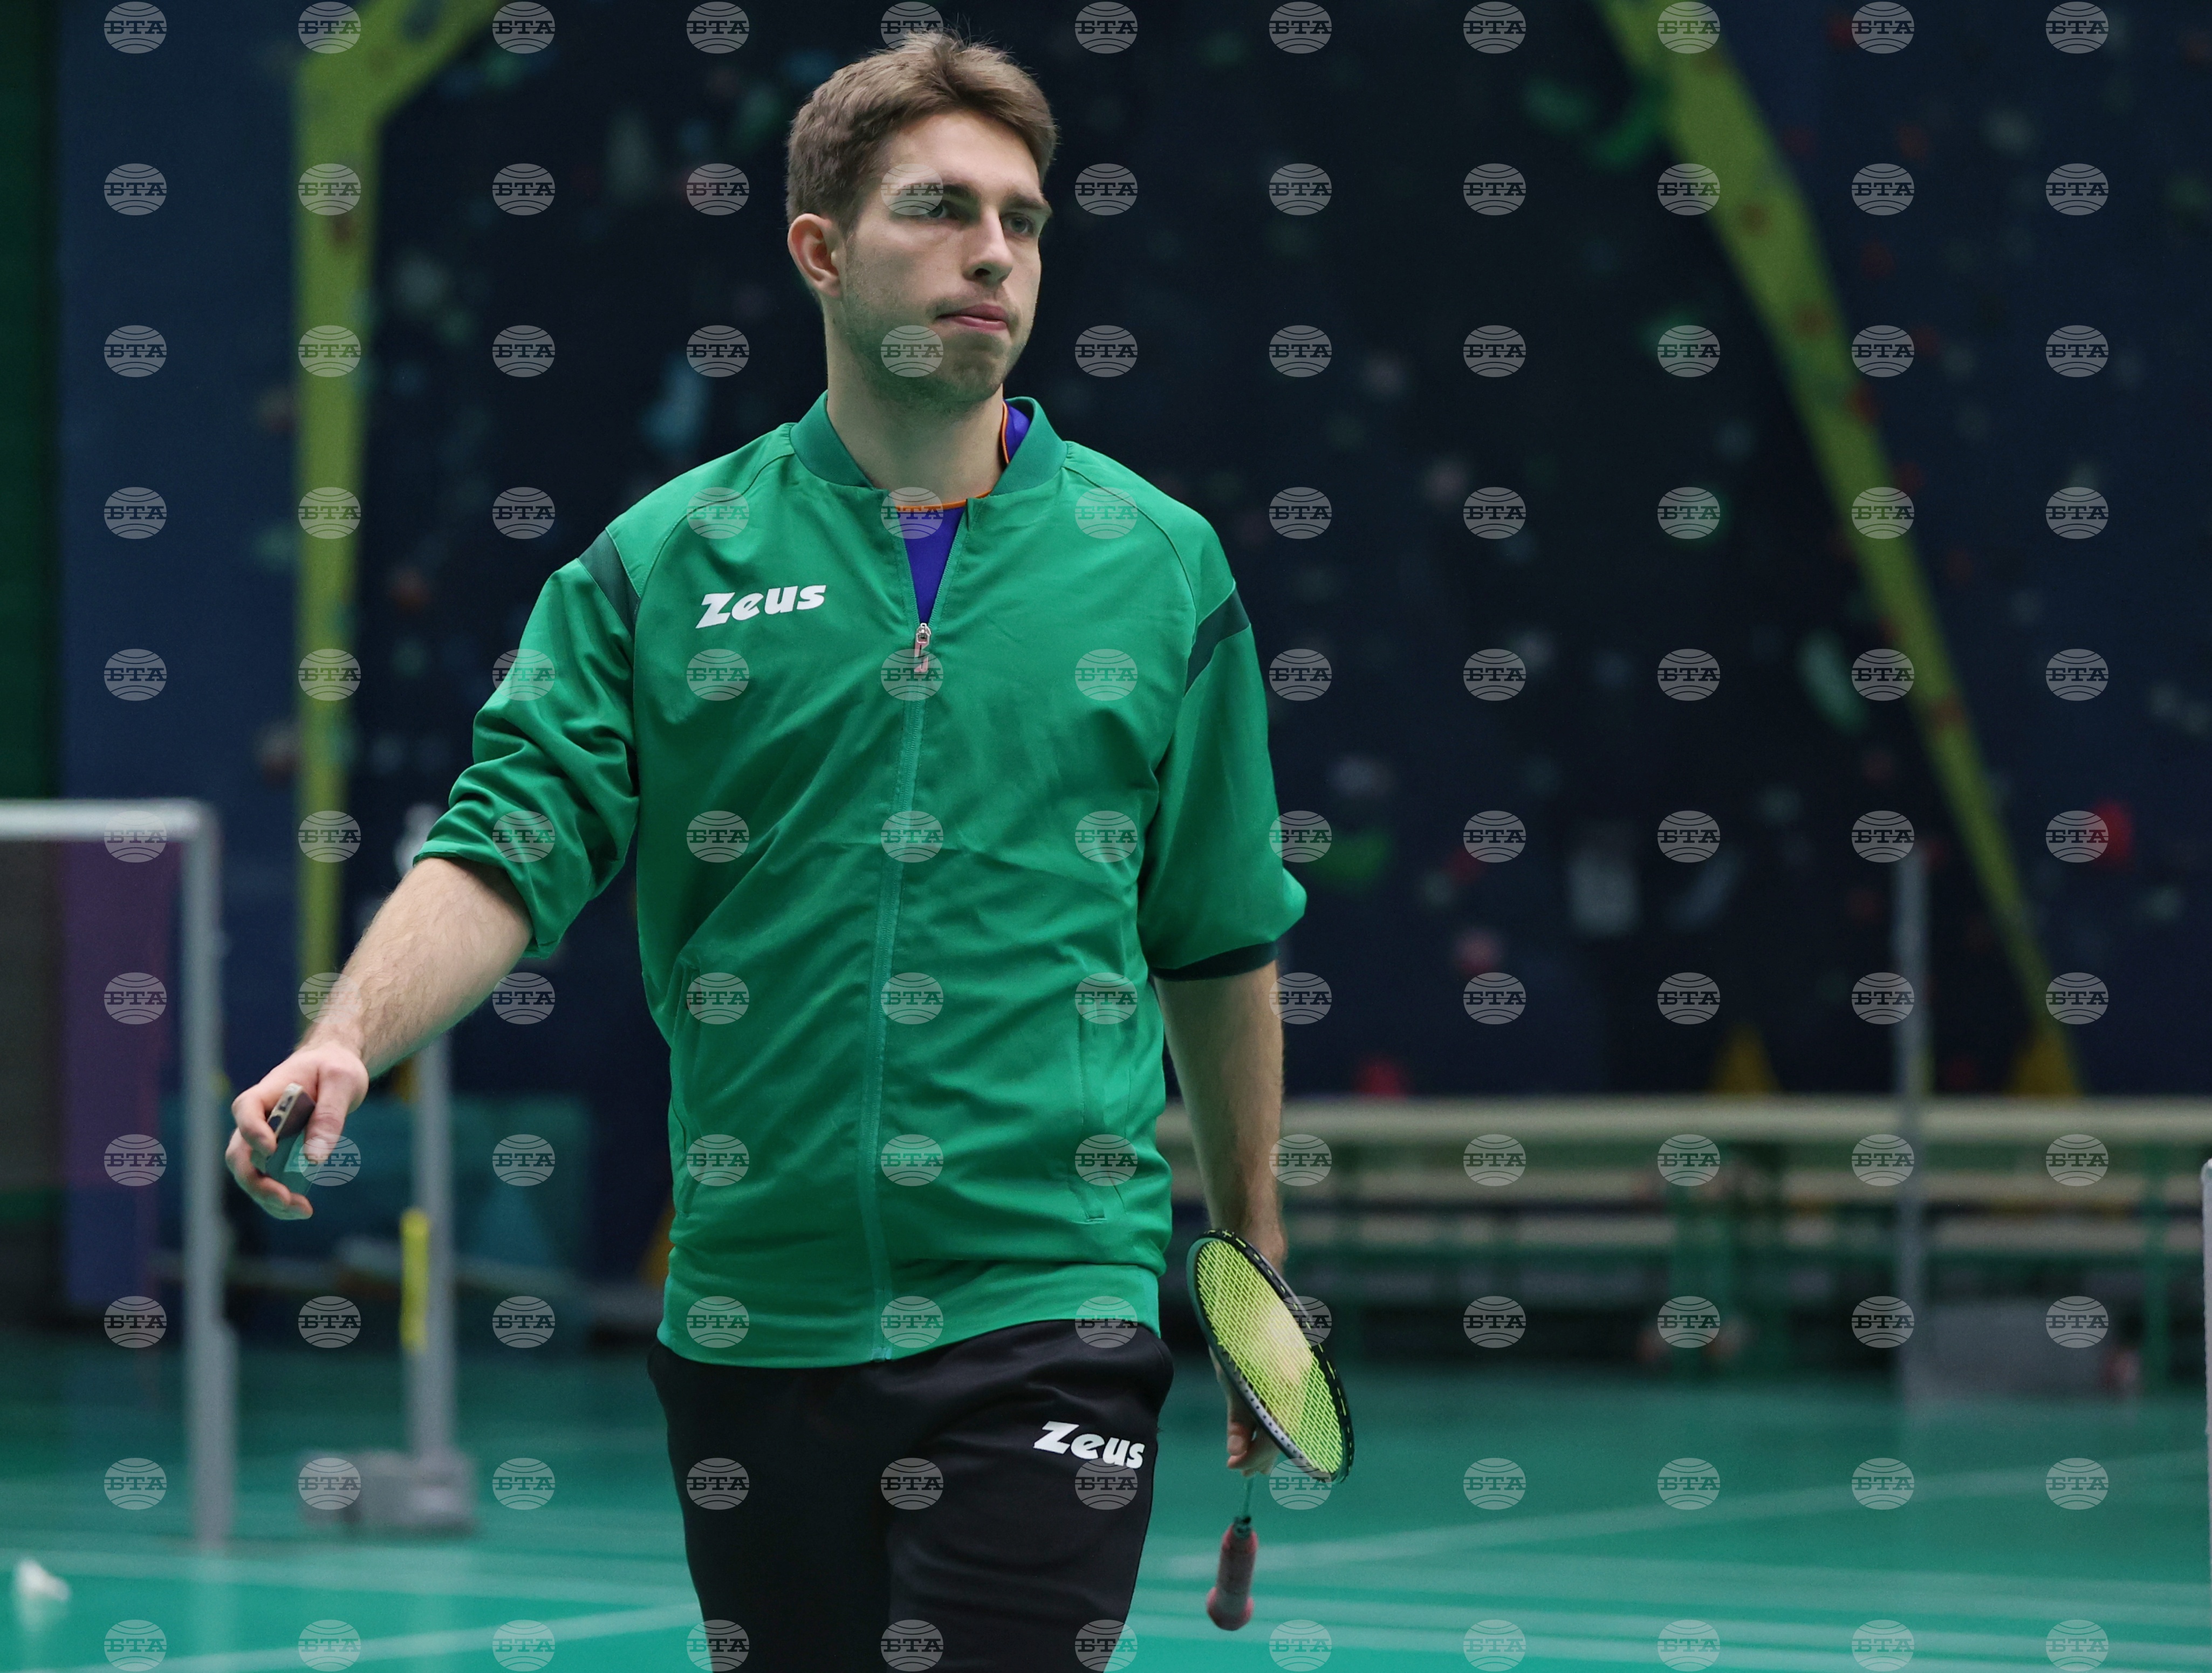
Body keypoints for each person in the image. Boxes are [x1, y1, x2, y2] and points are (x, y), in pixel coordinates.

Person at [225, 26, 1304, 1670]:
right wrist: (347, 1036)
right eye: (940, 209)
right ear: (820, 249)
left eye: (1022, 221)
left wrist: (1251, 1251)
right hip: (750, 1319)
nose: (994, 254)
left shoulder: (1159, 566)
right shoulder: (666, 564)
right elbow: (507, 846)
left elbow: (1215, 934)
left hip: (1049, 1299)